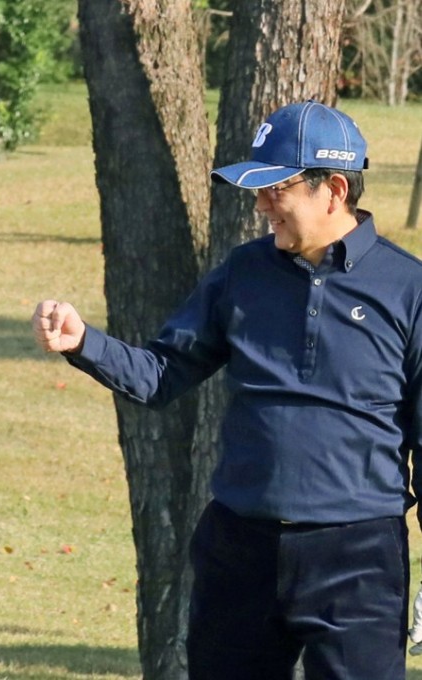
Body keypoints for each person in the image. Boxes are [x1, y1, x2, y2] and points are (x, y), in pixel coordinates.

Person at [33, 100, 417, 679]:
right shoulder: (242, 273)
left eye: (275, 189)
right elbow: (161, 375)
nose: (260, 205)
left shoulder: (410, 289)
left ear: (333, 189)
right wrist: (85, 341)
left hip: (359, 558)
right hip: (240, 549)